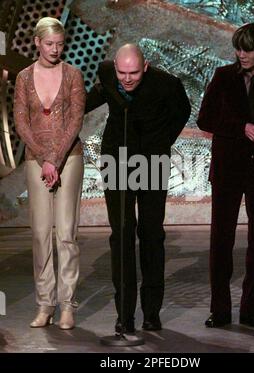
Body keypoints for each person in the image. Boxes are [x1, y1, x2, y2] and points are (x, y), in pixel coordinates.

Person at [86, 44, 191, 333]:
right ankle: (125, 315)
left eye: (134, 72)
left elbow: (183, 111)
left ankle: (151, 313)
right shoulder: (107, 74)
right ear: (115, 67)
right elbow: (86, 101)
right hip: (117, 161)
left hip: (152, 162)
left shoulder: (168, 85)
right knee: (121, 234)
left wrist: (162, 141)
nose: (127, 78)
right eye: (122, 72)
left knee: (151, 234)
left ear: (145, 67)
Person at [197, 23, 254, 328]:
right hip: (227, 166)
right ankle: (220, 310)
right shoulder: (224, 77)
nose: (241, 55)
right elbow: (204, 118)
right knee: (221, 239)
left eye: (247, 49)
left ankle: (251, 309)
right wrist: (241, 128)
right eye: (237, 48)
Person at [14, 17, 86, 330]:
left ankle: (68, 305)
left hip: (69, 159)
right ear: (37, 42)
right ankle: (45, 304)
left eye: (59, 43)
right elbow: (21, 122)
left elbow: (75, 121)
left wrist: (55, 160)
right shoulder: (23, 78)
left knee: (66, 234)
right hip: (35, 159)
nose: (55, 49)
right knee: (42, 234)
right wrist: (44, 158)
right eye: (49, 43)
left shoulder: (73, 74)